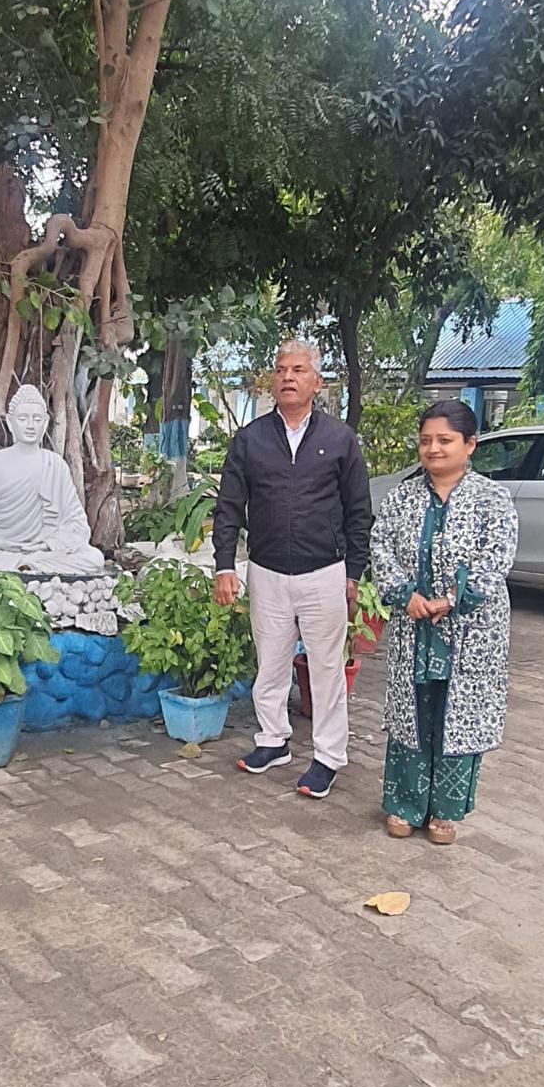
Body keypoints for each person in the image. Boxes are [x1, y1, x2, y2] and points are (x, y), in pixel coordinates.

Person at [213, 340, 372, 797]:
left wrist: (353, 573)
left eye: (299, 370)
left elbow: (358, 511)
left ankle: (326, 756)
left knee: (325, 668)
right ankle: (273, 740)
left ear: (316, 382)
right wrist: (226, 565)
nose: (288, 377)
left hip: (323, 571)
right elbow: (229, 506)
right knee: (271, 662)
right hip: (266, 571)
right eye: (281, 369)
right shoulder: (251, 439)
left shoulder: (339, 440)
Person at [370, 400, 518, 844]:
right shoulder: (400, 498)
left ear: (470, 444)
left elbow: (497, 558)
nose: (433, 449)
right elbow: (380, 549)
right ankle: (404, 805)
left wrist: (453, 599)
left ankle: (445, 813)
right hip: (414, 627)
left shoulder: (493, 499)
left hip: (472, 632)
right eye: (426, 440)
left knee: (459, 715)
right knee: (414, 712)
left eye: (445, 440)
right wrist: (405, 595)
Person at [0, 384, 104, 575]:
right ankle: (25, 566)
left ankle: (26, 565)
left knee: (93, 558)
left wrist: (45, 545)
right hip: (0, 549)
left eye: (36, 419)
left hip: (42, 551)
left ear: (45, 423)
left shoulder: (55, 464)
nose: (30, 425)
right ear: (10, 422)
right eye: (23, 418)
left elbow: (77, 524)